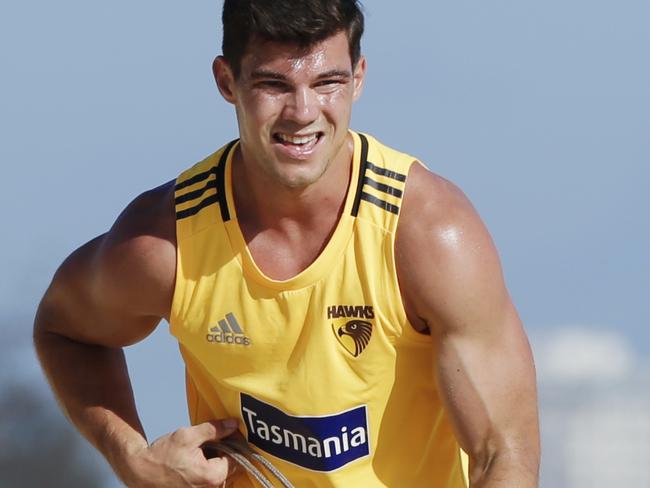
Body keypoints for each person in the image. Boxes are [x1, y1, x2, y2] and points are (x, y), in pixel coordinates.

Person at [34, 1, 540, 486]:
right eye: (274, 84)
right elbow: (65, 331)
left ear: (358, 78)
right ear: (226, 82)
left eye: (328, 83)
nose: (302, 112)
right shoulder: (167, 242)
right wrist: (131, 459)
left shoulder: (428, 234)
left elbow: (503, 454)